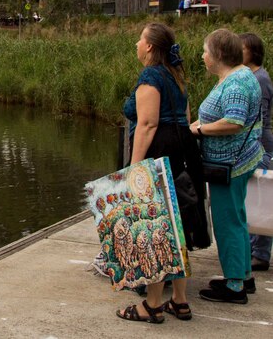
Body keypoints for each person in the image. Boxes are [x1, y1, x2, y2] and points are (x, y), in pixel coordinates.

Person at [116, 22, 204, 323]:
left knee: (155, 227)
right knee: (175, 225)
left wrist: (135, 167)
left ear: (150, 46)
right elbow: (187, 116)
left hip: (158, 152)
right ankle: (179, 300)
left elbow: (148, 123)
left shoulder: (151, 75)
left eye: (140, 39)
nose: (136, 44)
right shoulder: (176, 74)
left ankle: (152, 304)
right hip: (181, 150)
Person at [191, 28, 264, 304]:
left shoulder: (234, 84)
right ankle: (244, 275)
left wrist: (200, 131)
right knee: (238, 217)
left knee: (227, 222)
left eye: (206, 51)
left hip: (229, 165)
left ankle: (234, 286)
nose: (203, 56)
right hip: (240, 161)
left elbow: (234, 121)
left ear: (218, 55)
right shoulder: (244, 75)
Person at [240, 33, 273, 272]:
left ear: (252, 51)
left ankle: (260, 253)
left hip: (260, 146)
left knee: (260, 199)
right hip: (260, 144)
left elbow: (258, 120)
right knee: (256, 197)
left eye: (241, 48)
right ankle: (256, 250)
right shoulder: (255, 77)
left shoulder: (259, 79)